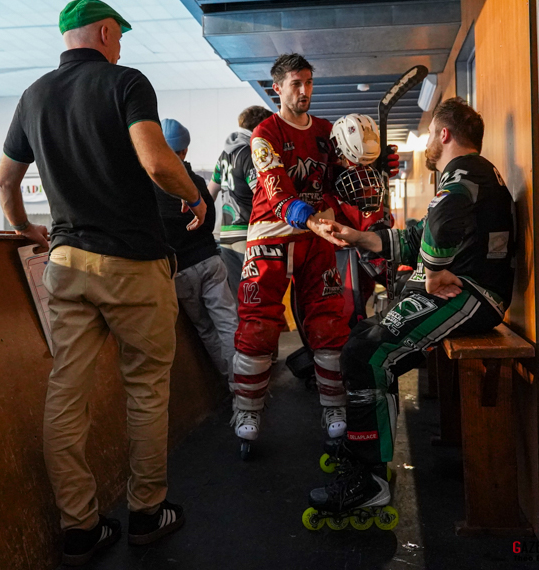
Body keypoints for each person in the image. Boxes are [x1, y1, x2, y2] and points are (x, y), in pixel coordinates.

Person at [0, 0, 206, 567]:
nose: (120, 48)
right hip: (133, 265)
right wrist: (194, 197)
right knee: (145, 390)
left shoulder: (33, 95)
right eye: (119, 38)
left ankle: (80, 527)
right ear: (106, 33)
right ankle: (145, 512)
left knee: (66, 394)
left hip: (65, 264)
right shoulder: (126, 82)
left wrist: (29, 231)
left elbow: (6, 182)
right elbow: (157, 162)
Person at [306, 97, 516, 523]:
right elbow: (424, 231)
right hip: (471, 288)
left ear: (444, 134)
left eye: (430, 137)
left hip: (475, 294)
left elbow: (440, 228)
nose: (427, 149)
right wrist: (358, 237)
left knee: (366, 355)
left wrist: (435, 270)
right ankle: (369, 455)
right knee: (364, 340)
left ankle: (370, 482)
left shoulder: (464, 172)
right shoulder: (475, 174)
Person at [229, 53, 397, 453]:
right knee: (258, 326)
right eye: (295, 84)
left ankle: (334, 408)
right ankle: (247, 409)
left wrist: (374, 163)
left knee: (328, 323)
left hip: (316, 239)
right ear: (277, 89)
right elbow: (277, 191)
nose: (304, 91)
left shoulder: (326, 131)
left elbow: (345, 178)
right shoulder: (264, 134)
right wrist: (311, 218)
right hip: (271, 236)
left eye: (308, 82)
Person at [156, 118, 238, 385]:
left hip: (182, 270)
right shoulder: (196, 182)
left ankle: (229, 383)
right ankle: (246, 386)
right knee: (228, 322)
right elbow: (210, 218)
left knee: (205, 328)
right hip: (211, 262)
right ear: (184, 151)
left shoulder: (153, 186)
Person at [208, 105, 274, 296]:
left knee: (241, 296)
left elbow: (209, 193)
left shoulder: (224, 155)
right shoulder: (250, 154)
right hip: (248, 235)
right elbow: (263, 196)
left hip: (227, 236)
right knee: (258, 294)